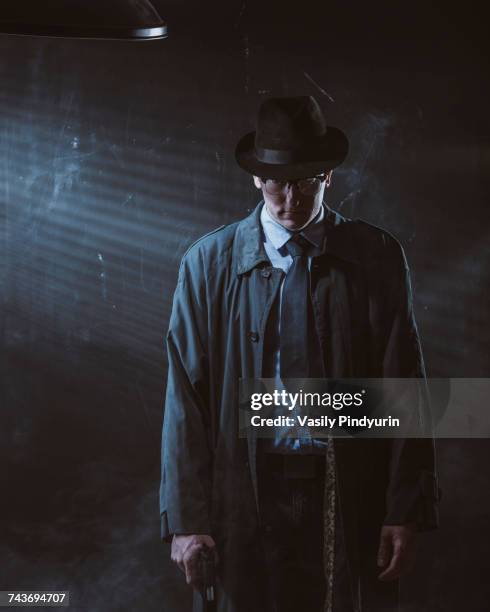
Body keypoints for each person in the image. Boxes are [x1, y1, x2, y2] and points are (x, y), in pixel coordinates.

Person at [159, 96, 440, 611]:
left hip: (348, 486)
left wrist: (405, 508)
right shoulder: (207, 264)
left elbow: (404, 386)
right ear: (255, 179)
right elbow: (186, 400)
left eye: (305, 182)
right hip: (242, 493)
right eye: (276, 183)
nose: (289, 198)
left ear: (328, 176)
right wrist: (186, 521)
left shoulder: (375, 256)